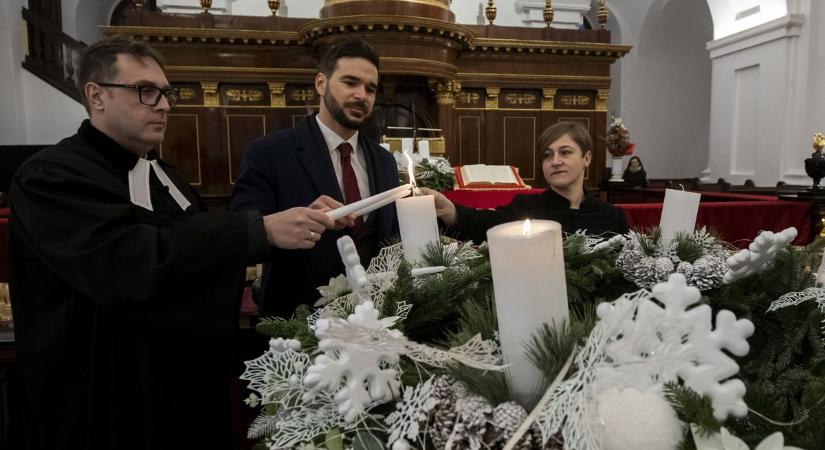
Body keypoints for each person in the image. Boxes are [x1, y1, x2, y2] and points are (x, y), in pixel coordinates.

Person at [9, 36, 352, 449]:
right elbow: (130, 261)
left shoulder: (167, 177)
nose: (165, 106)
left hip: (179, 390)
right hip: (102, 395)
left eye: (165, 93)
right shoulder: (52, 177)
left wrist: (291, 224)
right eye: (145, 92)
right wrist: (258, 229)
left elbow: (199, 258)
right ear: (96, 95)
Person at [232, 40, 399, 317]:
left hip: (374, 318)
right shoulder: (269, 152)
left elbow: (389, 239)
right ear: (321, 84)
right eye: (350, 82)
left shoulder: (383, 161)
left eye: (370, 89)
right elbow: (242, 235)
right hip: (297, 319)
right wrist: (286, 225)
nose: (362, 95)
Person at [422, 121, 628, 243]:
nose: (555, 161)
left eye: (565, 152)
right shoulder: (526, 208)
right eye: (547, 155)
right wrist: (452, 211)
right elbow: (484, 224)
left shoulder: (612, 216)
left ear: (587, 158)